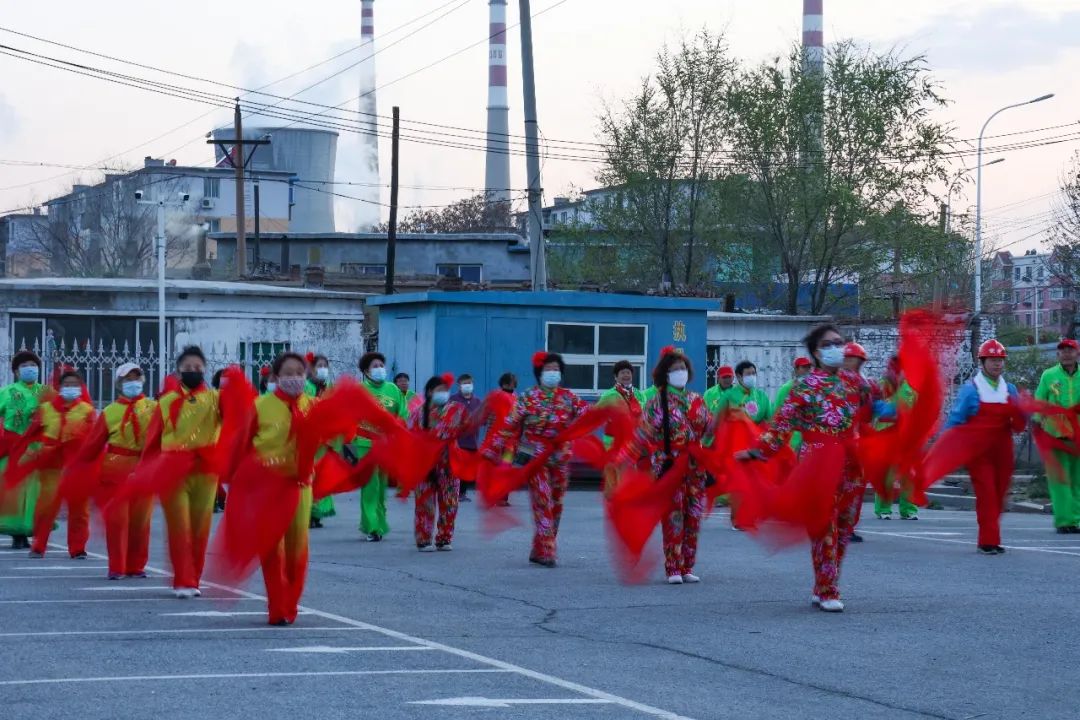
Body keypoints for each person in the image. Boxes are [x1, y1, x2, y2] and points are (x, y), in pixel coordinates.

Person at [745, 324, 877, 612]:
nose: (838, 348)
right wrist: (757, 452)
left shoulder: (857, 383)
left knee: (843, 529)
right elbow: (780, 426)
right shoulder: (803, 387)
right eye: (830, 344)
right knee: (823, 526)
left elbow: (878, 403)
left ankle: (822, 584)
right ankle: (828, 589)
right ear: (817, 352)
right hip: (817, 462)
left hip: (851, 463)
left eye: (840, 342)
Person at [236, 352, 318, 625]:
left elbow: (336, 435)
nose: (294, 378)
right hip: (268, 487)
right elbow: (243, 446)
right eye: (289, 373)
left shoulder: (314, 406)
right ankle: (277, 607)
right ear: (276, 377)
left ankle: (290, 603)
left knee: (298, 550)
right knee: (272, 549)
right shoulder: (259, 406)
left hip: (301, 486)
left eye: (299, 373)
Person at [485, 352, 588, 567]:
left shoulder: (569, 397)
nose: (553, 373)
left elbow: (588, 414)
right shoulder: (528, 397)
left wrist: (611, 413)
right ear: (540, 373)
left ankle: (540, 546)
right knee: (542, 502)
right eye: (548, 369)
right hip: (534, 457)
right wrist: (491, 449)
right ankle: (547, 550)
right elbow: (509, 424)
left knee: (556, 505)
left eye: (556, 369)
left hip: (560, 458)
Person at [924, 339, 1023, 555]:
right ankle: (987, 541)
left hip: (1003, 451)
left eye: (1000, 360)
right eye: (992, 360)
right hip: (979, 453)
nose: (997, 364)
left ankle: (992, 538)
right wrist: (943, 447)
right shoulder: (972, 390)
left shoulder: (1011, 390)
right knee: (987, 493)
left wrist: (1025, 413)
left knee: (998, 495)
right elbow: (956, 420)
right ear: (982, 362)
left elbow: (1018, 422)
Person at [627, 347, 711, 584]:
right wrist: (625, 459)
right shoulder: (657, 402)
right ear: (665, 374)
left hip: (695, 466)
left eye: (683, 368)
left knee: (693, 516)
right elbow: (642, 434)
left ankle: (687, 565)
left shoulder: (697, 399)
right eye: (674, 370)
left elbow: (709, 428)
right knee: (674, 516)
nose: (680, 373)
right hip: (669, 464)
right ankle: (673, 567)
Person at [147, 346, 222, 598]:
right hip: (173, 469)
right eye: (188, 368)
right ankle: (183, 579)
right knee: (179, 526)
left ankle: (194, 579)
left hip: (205, 470)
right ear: (179, 371)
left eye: (198, 368)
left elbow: (239, 417)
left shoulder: (216, 399)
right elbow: (153, 438)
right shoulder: (166, 402)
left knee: (200, 528)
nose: (193, 371)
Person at [73, 363, 157, 578]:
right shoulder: (109, 412)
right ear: (119, 384)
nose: (133, 383)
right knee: (117, 522)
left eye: (136, 378)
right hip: (115, 471)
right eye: (128, 379)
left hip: (144, 470)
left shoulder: (154, 408)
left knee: (141, 522)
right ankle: (117, 566)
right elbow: (93, 444)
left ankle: (136, 566)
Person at [19, 368, 96, 559]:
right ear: (60, 387)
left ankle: (77, 548)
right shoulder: (46, 409)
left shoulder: (87, 410)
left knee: (79, 509)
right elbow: (31, 434)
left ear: (81, 388)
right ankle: (38, 545)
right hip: (52, 466)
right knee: (46, 507)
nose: (70, 388)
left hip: (76, 466)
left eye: (74, 385)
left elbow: (94, 439)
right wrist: (29, 452)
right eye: (67, 384)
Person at [410, 374, 467, 551]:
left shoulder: (455, 409)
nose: (444, 393)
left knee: (450, 502)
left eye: (446, 390)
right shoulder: (418, 413)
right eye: (439, 390)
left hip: (448, 462)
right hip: (424, 463)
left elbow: (462, 428)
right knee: (424, 503)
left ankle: (444, 537)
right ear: (429, 392)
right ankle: (423, 539)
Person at [355, 352, 408, 541]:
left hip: (385, 445)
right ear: (366, 371)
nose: (379, 369)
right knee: (370, 485)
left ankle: (379, 521)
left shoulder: (393, 390)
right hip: (365, 444)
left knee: (381, 486)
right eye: (374, 366)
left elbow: (403, 414)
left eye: (381, 365)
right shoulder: (359, 390)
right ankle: (372, 527)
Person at [0, 351, 44, 550]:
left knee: (33, 493)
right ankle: (15, 533)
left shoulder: (46, 392)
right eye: (25, 365)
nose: (30, 369)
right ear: (17, 371)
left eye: (33, 365)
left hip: (36, 450)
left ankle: (29, 532)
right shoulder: (6, 392)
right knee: (12, 492)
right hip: (13, 447)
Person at [1035, 338, 1080, 534]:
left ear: (1077, 353)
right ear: (1057, 354)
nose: (1067, 353)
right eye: (1063, 350)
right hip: (1055, 435)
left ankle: (1075, 520)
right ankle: (1064, 521)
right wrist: (1037, 421)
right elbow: (1040, 400)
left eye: (1070, 350)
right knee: (1060, 481)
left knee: (1077, 482)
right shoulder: (1049, 375)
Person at [872, 356, 920, 521]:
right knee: (887, 475)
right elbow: (875, 409)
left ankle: (908, 509)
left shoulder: (911, 389)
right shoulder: (882, 386)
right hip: (885, 434)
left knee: (909, 475)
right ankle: (883, 509)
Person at [598, 361, 646, 496]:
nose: (626, 375)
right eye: (622, 373)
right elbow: (598, 416)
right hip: (613, 443)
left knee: (629, 477)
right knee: (614, 478)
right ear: (616, 376)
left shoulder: (639, 394)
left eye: (628, 372)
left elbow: (645, 416)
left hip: (633, 443)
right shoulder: (608, 395)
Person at [305, 353, 337, 527]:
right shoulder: (306, 386)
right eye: (319, 365)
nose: (323, 369)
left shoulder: (330, 387)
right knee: (309, 475)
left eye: (325, 365)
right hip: (309, 437)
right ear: (312, 368)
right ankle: (307, 512)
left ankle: (317, 513)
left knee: (322, 475)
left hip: (325, 438)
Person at [450, 374, 481, 502]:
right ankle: (453, 493)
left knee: (467, 469)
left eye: (469, 383)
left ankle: (462, 493)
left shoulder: (477, 401)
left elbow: (481, 418)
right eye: (464, 383)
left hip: (471, 441)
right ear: (459, 385)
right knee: (456, 468)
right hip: (457, 440)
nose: (467, 385)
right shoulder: (453, 399)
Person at [771, 357, 813, 453]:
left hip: (809, 437)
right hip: (791, 436)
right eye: (804, 367)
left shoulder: (812, 389)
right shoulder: (786, 388)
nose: (807, 370)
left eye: (809, 367)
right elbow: (777, 412)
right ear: (796, 370)